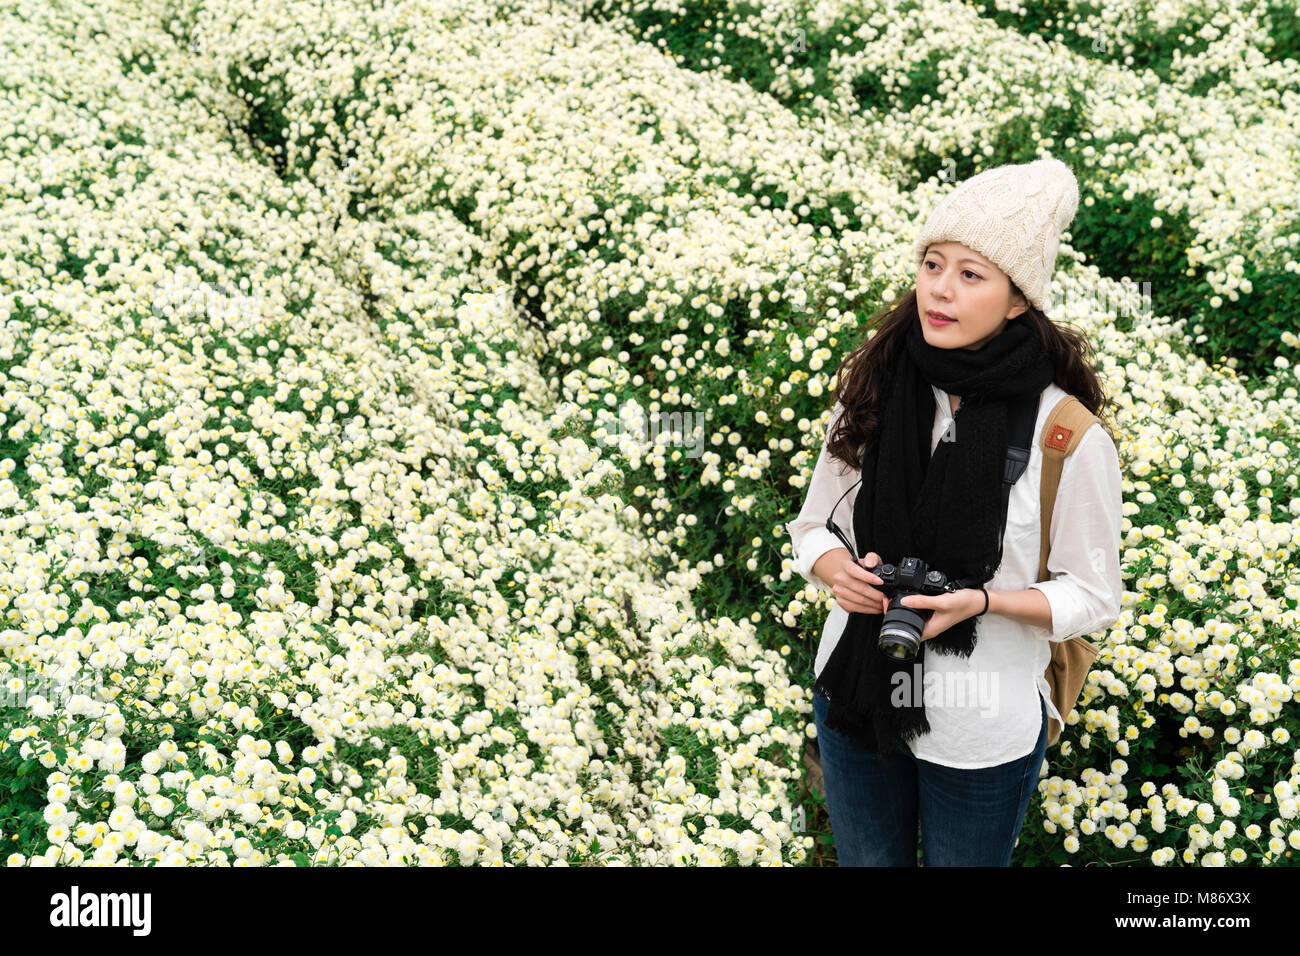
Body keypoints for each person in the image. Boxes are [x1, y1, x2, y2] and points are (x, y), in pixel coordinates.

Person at [785, 157, 1124, 866]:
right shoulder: (877, 389)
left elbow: (1093, 596)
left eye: (972, 274)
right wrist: (833, 568)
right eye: (933, 264)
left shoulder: (1063, 435)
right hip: (855, 693)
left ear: (1018, 300)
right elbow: (812, 524)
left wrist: (982, 601)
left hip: (982, 728)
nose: (940, 289)